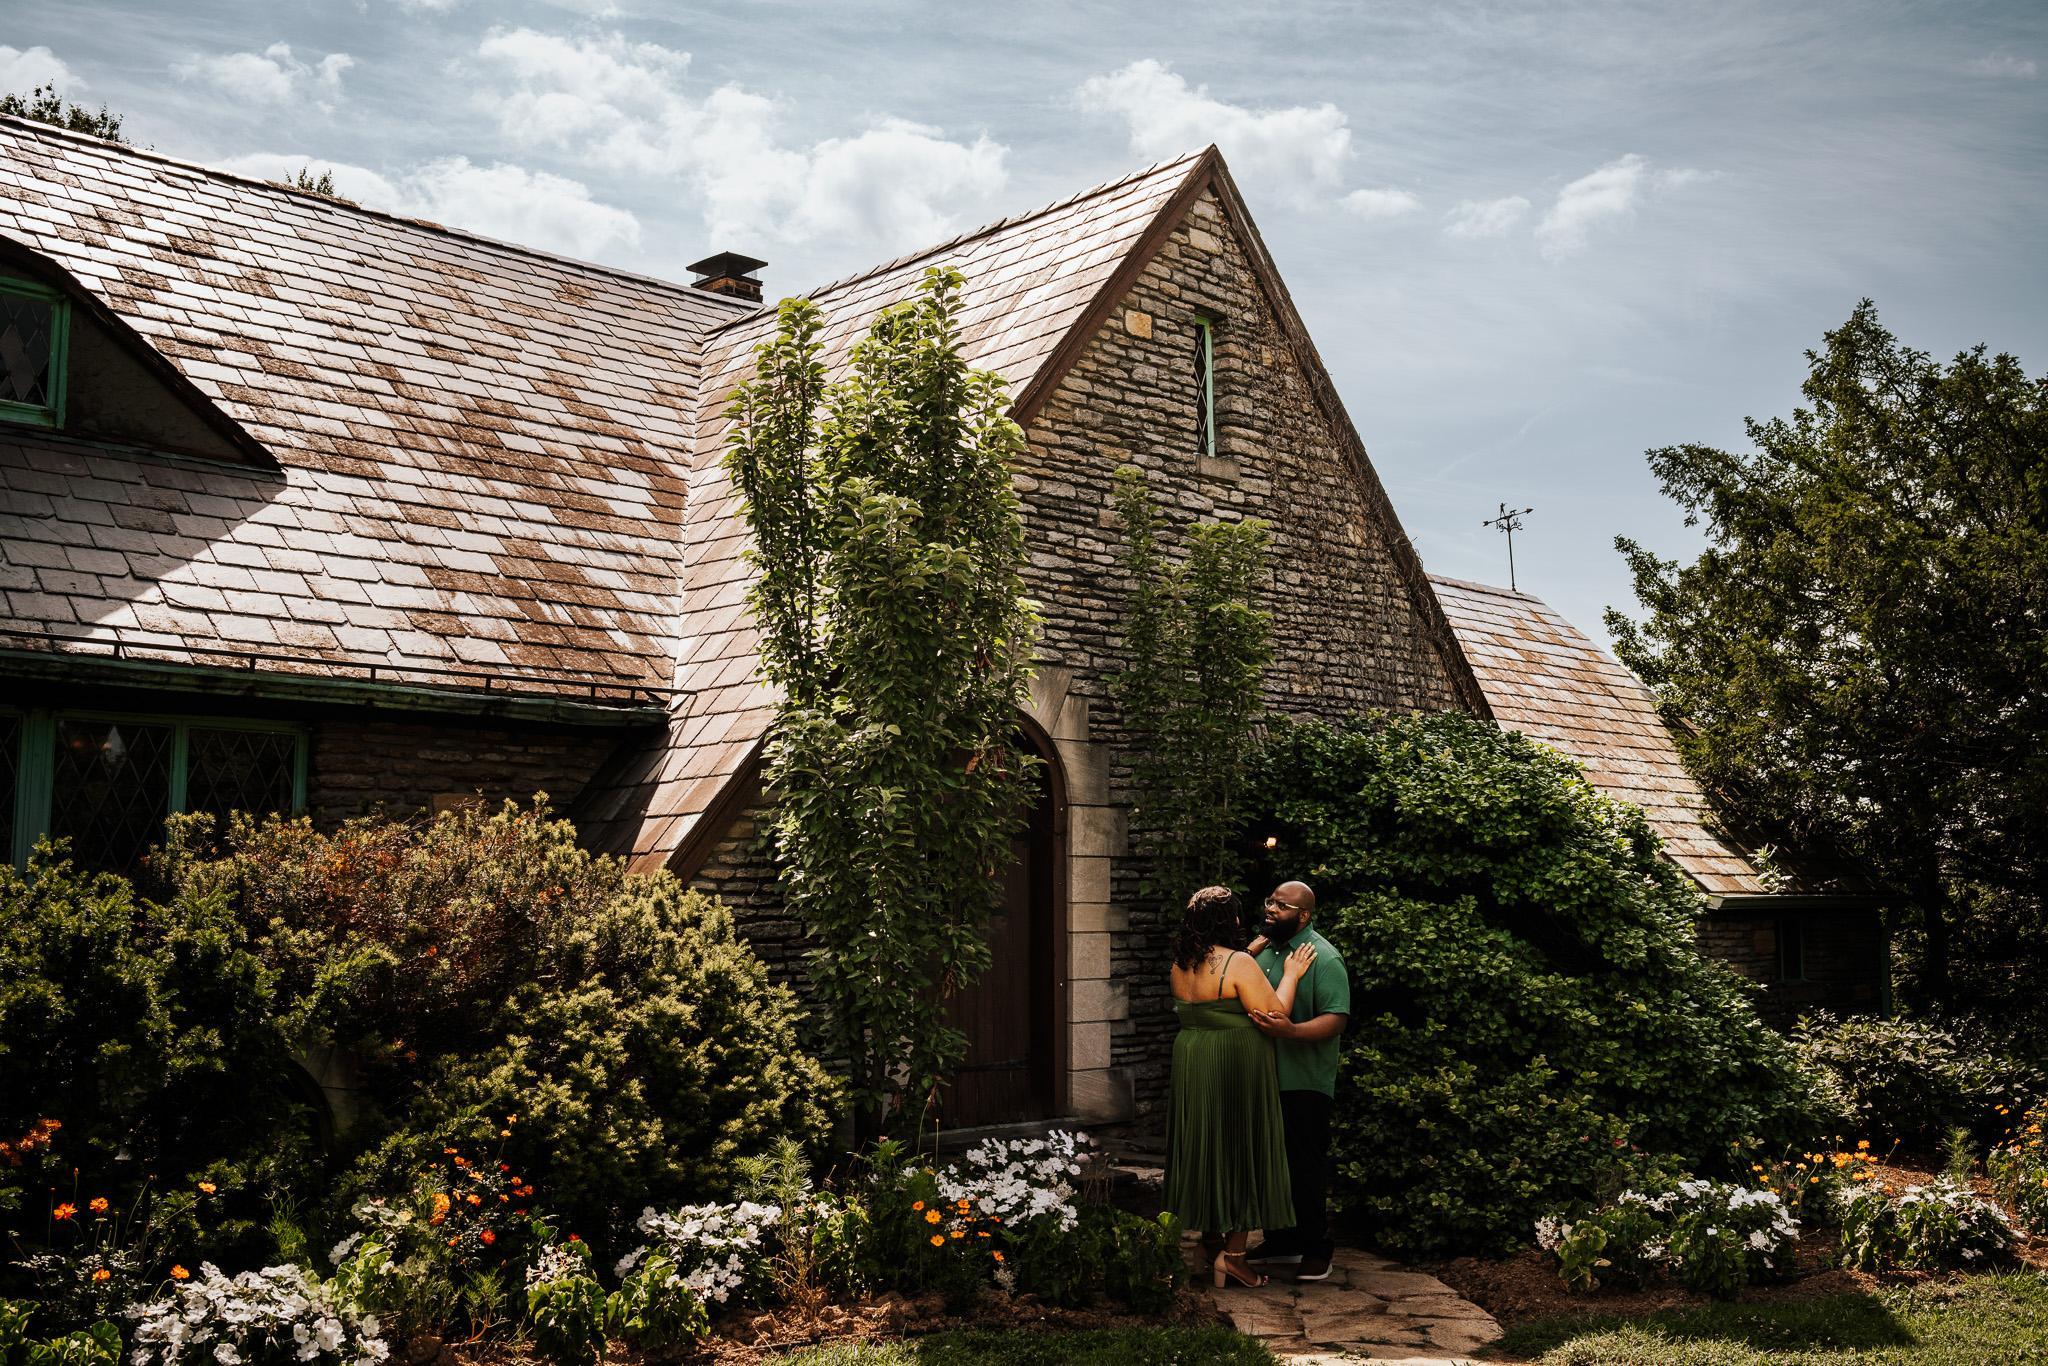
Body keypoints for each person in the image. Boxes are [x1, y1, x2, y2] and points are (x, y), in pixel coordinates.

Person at [1164, 884, 1318, 1290]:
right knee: (1239, 1149)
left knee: (1206, 1147)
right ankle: (1232, 1258)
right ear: (1228, 920)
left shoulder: (1181, 963)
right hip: (1235, 1063)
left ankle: (1207, 1244)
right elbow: (1275, 1013)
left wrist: (1248, 952)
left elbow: (1216, 982)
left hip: (1193, 1060)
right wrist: (1291, 974)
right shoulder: (1239, 963)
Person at [1246, 880, 1350, 1281]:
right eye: (1270, 901)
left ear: (1303, 915)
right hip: (1263, 1078)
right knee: (1270, 1165)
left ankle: (1316, 1248)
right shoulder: (1263, 952)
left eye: (1282, 905)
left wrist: (1290, 1032)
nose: (1271, 909)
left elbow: (1335, 1019)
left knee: (1304, 1167)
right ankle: (1282, 1240)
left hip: (1304, 1081)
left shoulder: (1323, 957)